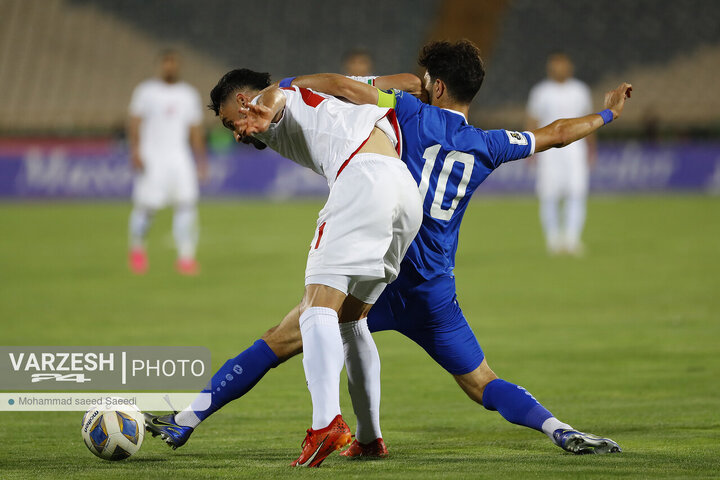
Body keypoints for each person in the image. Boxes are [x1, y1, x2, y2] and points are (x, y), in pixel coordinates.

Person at [146, 41, 631, 460]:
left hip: (380, 261)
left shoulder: (408, 112)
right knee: (482, 380)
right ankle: (557, 428)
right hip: (433, 287)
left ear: (436, 87)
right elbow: (557, 133)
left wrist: (292, 83)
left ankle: (194, 418)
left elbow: (349, 88)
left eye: (426, 80)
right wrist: (608, 113)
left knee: (283, 338)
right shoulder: (490, 143)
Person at [145, 68, 424, 467]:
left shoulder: (282, 93)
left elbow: (276, 97)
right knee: (350, 321)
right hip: (402, 192)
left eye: (233, 122)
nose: (238, 133)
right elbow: (397, 81)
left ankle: (326, 423)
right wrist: (422, 85)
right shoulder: (318, 93)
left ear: (244, 101)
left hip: (363, 182)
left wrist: (263, 110)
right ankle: (368, 437)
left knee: (316, 309)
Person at [127, 49, 208, 275]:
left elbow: (195, 129)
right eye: (166, 63)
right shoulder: (145, 92)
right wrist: (135, 151)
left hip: (179, 156)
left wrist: (200, 159)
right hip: (152, 156)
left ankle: (185, 258)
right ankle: (137, 250)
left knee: (187, 203)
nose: (169, 67)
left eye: (173, 63)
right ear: (160, 65)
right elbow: (135, 122)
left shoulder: (188, 94)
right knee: (146, 206)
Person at [526, 53, 595, 256]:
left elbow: (589, 122)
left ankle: (572, 239)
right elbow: (532, 120)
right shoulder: (540, 92)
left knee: (577, 192)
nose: (559, 69)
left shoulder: (580, 90)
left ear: (569, 67)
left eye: (562, 65)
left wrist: (592, 147)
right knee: (549, 195)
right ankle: (553, 239)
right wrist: (531, 151)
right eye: (555, 65)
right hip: (548, 151)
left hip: (575, 149)